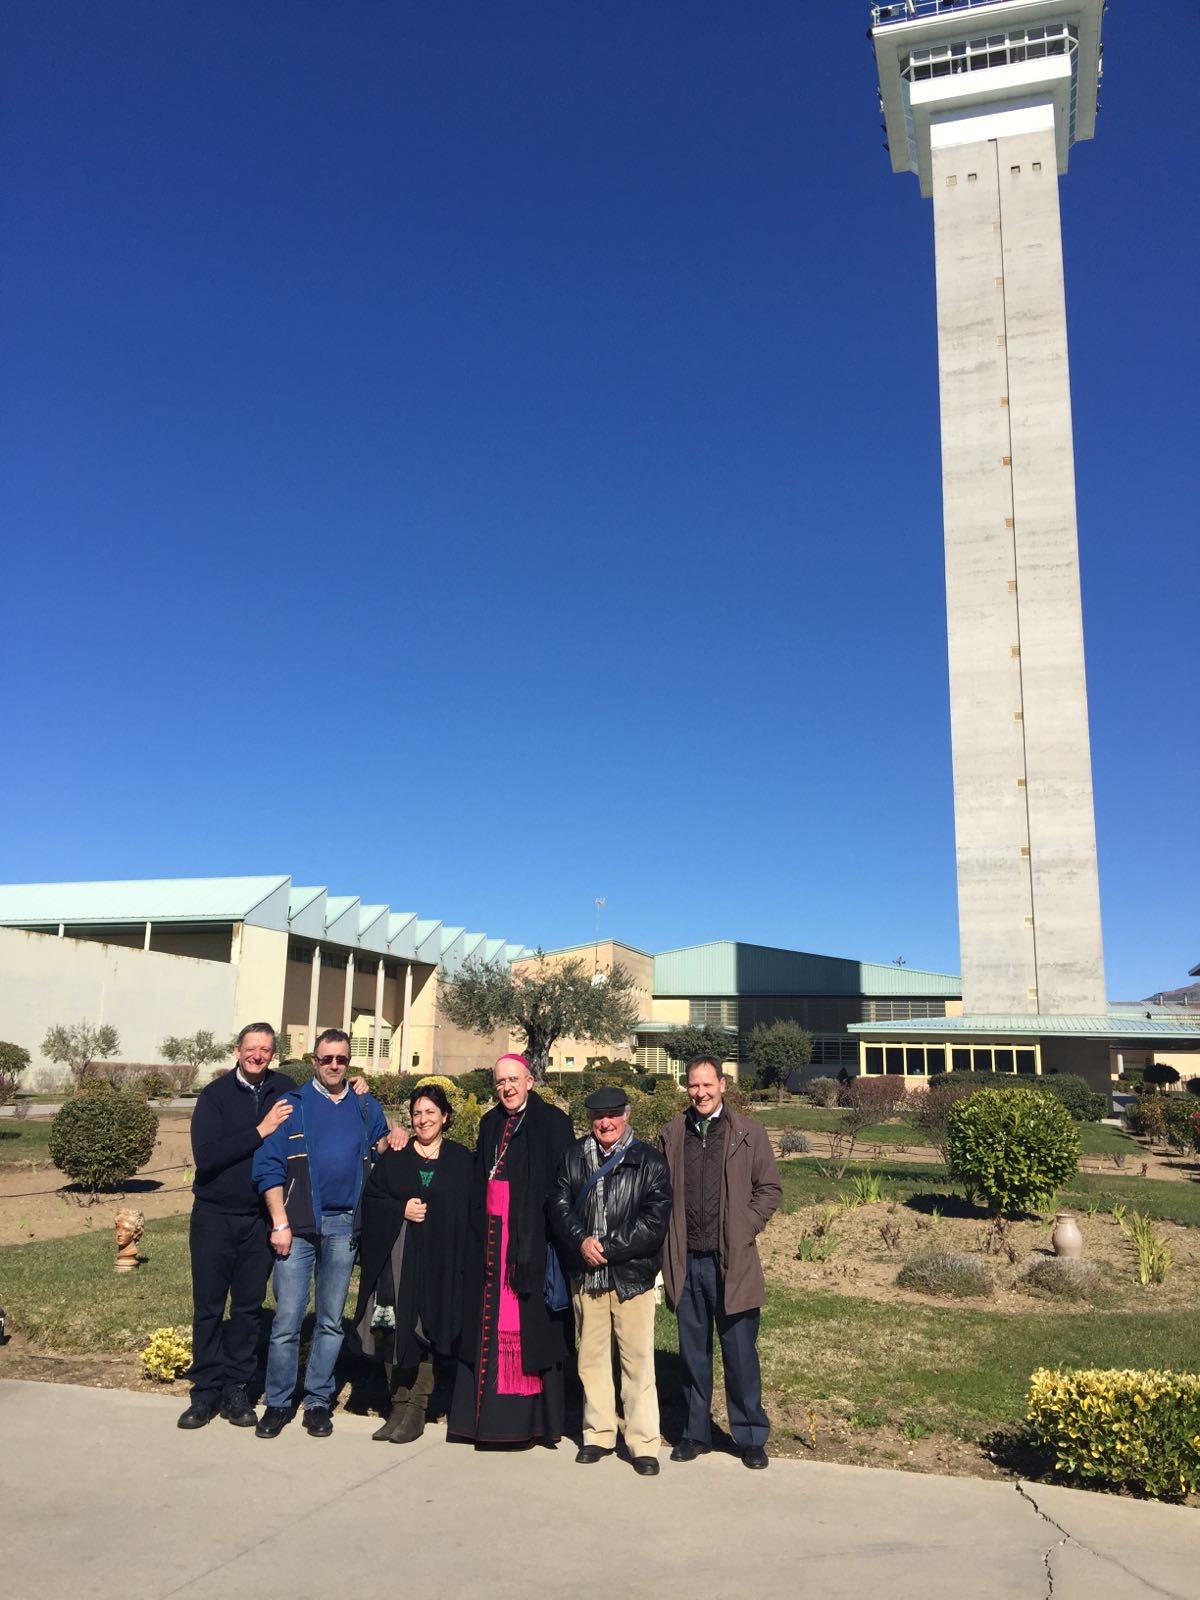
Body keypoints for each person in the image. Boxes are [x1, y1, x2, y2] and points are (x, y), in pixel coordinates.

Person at [252, 1028, 392, 1439]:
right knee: (287, 1320)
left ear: (349, 1062)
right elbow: (268, 1168)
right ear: (314, 1061)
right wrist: (279, 1222)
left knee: (330, 1321)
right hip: (296, 1228)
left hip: (344, 1225)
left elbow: (381, 1147)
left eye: (341, 1059)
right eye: (326, 1058)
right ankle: (279, 1401)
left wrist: (396, 1134)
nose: (334, 1065)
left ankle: (317, 1400)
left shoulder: (365, 1105)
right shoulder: (291, 1106)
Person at [660, 1055, 782, 1469]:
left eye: (707, 1085)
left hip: (732, 1262)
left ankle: (750, 1436)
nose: (701, 1093)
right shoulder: (672, 1133)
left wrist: (745, 1226)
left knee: (740, 1355)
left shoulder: (748, 1133)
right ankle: (696, 1433)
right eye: (694, 1086)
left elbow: (769, 1188)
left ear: (723, 1085)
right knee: (693, 1356)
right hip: (686, 1261)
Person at [448, 1052, 574, 1447]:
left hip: (531, 1242)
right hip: (490, 1240)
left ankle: (530, 1423)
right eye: (500, 1082)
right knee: (485, 1324)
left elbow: (563, 1185)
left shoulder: (553, 1122)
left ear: (529, 1081)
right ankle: (482, 1421)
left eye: (513, 1080)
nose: (507, 1088)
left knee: (528, 1328)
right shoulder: (489, 1123)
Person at [548, 1085, 673, 1476]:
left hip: (631, 1277)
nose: (606, 1123)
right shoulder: (572, 1157)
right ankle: (598, 1434)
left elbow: (654, 1221)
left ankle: (643, 1442)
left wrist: (608, 1246)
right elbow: (558, 1205)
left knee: (637, 1362)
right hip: (587, 1276)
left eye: (613, 1115)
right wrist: (580, 1241)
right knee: (592, 1359)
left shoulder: (649, 1161)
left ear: (627, 1115)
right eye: (598, 1117)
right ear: (590, 1119)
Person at [177, 1023, 297, 1430]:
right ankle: (205, 1392)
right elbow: (207, 1157)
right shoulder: (215, 1096)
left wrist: (357, 1089)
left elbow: (323, 1099)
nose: (258, 1056)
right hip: (214, 1217)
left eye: (265, 1050)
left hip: (259, 1219)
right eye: (251, 1048)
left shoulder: (285, 1089)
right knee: (209, 1307)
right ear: (237, 1051)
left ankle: (236, 1388)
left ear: (273, 1054)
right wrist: (261, 1131)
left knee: (247, 1308)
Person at [353, 1083, 474, 1444]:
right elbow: (371, 1200)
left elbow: (470, 1210)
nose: (423, 1120)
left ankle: (418, 1408)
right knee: (394, 1330)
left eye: (430, 1112)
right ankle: (398, 1405)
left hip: (441, 1261)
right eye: (417, 1113)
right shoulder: (396, 1157)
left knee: (426, 1329)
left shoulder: (460, 1160)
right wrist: (399, 1209)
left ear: (445, 1116)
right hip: (399, 1261)